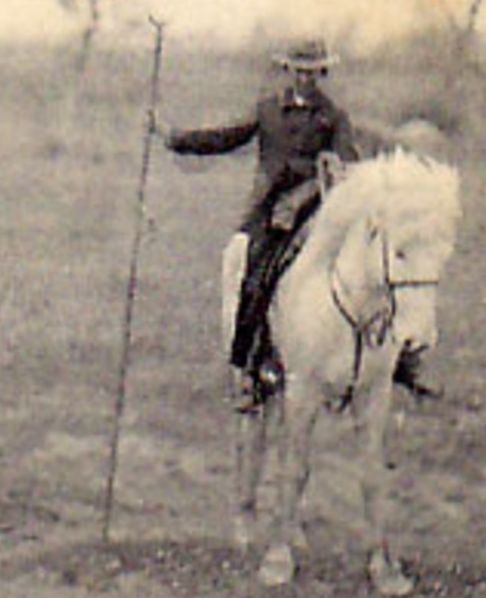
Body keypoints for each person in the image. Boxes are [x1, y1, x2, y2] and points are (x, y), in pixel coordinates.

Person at [156, 38, 437, 410]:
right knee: (254, 273)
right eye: (299, 70)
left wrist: (338, 169)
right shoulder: (268, 109)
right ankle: (247, 368)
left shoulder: (333, 116)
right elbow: (225, 137)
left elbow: (347, 156)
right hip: (270, 212)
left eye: (313, 71)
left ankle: (399, 360)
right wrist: (172, 137)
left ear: (322, 73)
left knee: (375, 260)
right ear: (288, 71)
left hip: (318, 206)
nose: (306, 78)